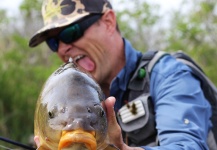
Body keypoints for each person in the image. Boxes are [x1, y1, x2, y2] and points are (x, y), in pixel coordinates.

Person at [29, 0, 213, 149]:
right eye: (53, 42)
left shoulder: (168, 75)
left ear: (108, 21)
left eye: (71, 32)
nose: (62, 48)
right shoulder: (66, 97)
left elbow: (188, 145)